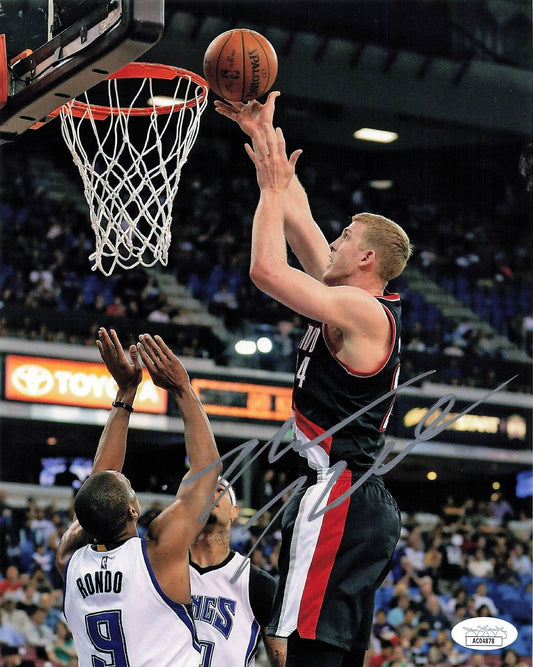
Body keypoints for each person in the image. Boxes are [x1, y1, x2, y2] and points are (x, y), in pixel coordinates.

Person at [216, 93, 412, 666]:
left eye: (345, 237)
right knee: (328, 653)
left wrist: (272, 191)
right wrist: (264, 137)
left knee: (297, 652)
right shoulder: (342, 300)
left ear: (367, 258)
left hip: (338, 492)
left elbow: (265, 270)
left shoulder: (364, 314)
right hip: (353, 497)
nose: (333, 241)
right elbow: (299, 218)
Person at [55, 328, 222, 666]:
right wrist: (182, 388)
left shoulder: (69, 560)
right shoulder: (158, 553)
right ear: (133, 510)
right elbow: (206, 470)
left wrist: (126, 392)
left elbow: (98, 489)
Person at [189, 477, 286, 666]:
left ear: (234, 511)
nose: (211, 495)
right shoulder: (165, 572)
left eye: (219, 490)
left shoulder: (257, 582)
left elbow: (281, 660)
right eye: (203, 490)